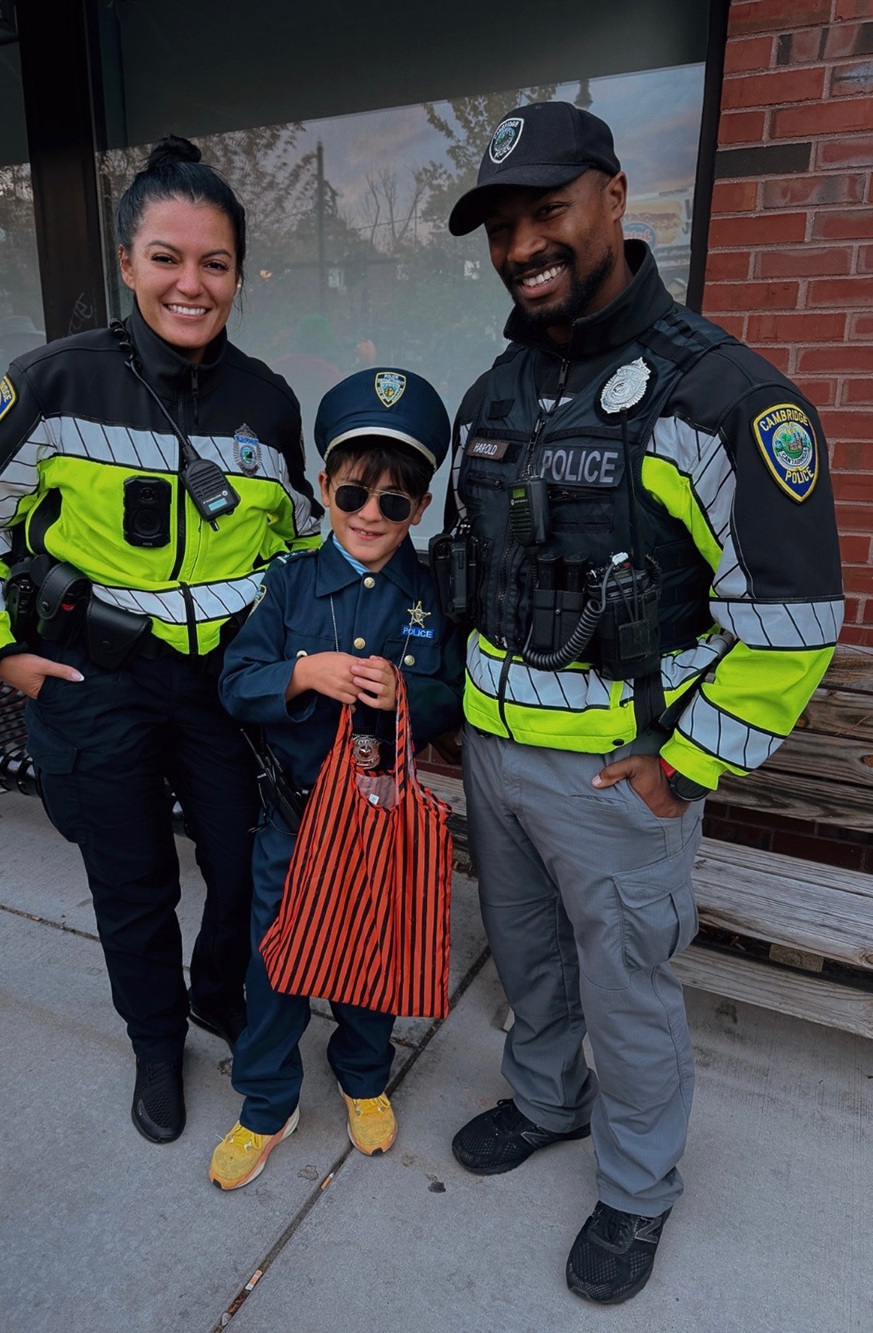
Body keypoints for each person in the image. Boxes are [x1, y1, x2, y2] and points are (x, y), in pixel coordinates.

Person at [441, 101, 843, 1303]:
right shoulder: (493, 391)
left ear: (614, 198)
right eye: (503, 227)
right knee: (528, 963)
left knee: (627, 989)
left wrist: (686, 766)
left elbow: (791, 626)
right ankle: (548, 1103)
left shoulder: (722, 398)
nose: (523, 246)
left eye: (547, 212)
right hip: (495, 760)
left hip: (622, 774)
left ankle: (635, 1190)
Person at [0, 136, 323, 1146]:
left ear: (239, 272)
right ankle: (156, 1039)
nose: (191, 284)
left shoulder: (268, 401)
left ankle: (215, 993)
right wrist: (0, 652)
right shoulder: (52, 382)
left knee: (239, 864)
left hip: (222, 686)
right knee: (132, 871)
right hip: (97, 677)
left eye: (215, 263)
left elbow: (300, 539)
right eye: (166, 258)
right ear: (127, 260)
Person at [208, 368, 465, 1189]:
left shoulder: (427, 593)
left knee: (370, 955)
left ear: (420, 509)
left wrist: (410, 697)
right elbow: (235, 682)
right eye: (354, 492)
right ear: (324, 486)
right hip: (296, 819)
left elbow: (455, 693)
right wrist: (302, 672)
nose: (370, 515)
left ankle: (363, 1074)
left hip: (383, 821)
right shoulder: (287, 583)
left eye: (396, 502)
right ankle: (266, 1100)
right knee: (278, 962)